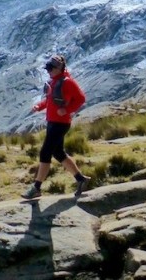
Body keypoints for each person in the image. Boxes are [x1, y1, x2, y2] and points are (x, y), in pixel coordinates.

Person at [22, 54, 90, 199]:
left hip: (61, 123)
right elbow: (49, 101)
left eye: (51, 68)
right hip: (53, 122)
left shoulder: (68, 82)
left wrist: (67, 110)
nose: (48, 71)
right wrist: (38, 106)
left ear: (59, 68)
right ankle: (80, 179)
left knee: (45, 152)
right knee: (58, 153)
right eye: (47, 68)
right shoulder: (54, 82)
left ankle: (37, 187)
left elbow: (81, 99)